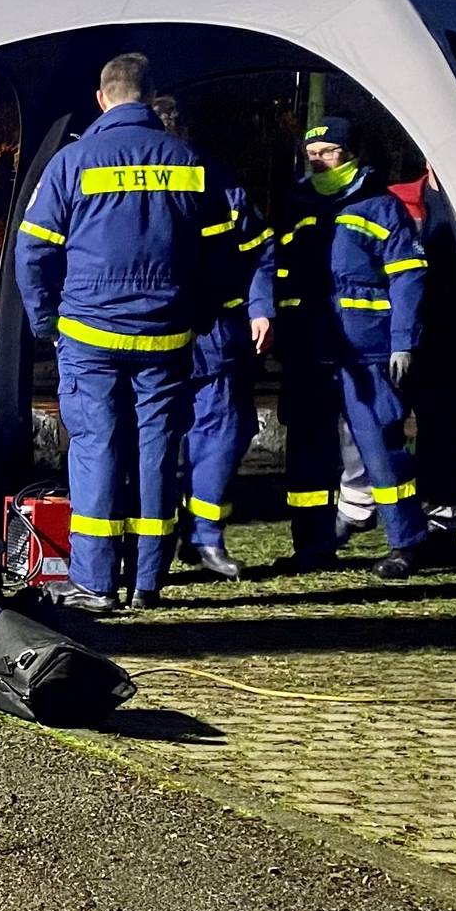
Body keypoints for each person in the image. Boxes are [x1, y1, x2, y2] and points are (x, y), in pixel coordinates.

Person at [12, 53, 225, 612]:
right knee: (157, 450)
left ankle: (94, 583)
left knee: (95, 449)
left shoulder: (72, 162)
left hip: (89, 332)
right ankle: (150, 581)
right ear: (151, 98)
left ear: (102, 98)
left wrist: (45, 321)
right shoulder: (190, 162)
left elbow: (31, 249)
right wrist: (199, 311)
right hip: (167, 333)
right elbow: (222, 251)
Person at [270, 116, 430, 578]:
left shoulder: (381, 208)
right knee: (308, 456)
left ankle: (408, 543)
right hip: (309, 351)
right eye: (311, 152)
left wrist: (404, 343)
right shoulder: (297, 206)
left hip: (368, 352)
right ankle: (312, 546)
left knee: (382, 446)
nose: (318, 159)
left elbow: (409, 278)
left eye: (328, 151)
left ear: (351, 153)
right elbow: (278, 271)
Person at [151, 95, 273, 580]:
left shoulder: (219, 183)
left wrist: (261, 308)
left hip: (212, 333)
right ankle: (154, 545)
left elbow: (257, 249)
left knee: (223, 433)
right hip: (153, 331)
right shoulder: (134, 187)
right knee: (154, 440)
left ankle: (203, 536)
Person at [390, 168, 456, 553]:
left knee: (447, 434)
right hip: (400, 337)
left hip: (454, 339)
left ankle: (440, 529)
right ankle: (400, 528)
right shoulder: (395, 200)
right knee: (382, 430)